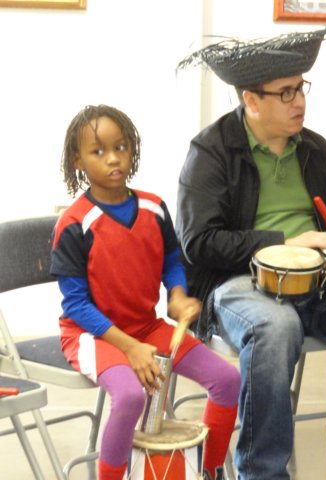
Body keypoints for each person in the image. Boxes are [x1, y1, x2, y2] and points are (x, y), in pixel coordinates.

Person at [175, 26, 326, 480]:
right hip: (238, 283)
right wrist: (282, 243)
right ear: (251, 100)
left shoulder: (315, 148)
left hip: (318, 281)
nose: (299, 101)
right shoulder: (211, 151)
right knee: (276, 324)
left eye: (301, 88)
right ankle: (262, 472)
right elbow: (199, 242)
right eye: (285, 93)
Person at [50, 105, 240, 480]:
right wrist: (130, 347)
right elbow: (76, 305)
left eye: (120, 147)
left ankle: (209, 470)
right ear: (77, 160)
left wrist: (177, 294)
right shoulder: (74, 224)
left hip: (147, 327)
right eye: (98, 151)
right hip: (90, 336)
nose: (113, 158)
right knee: (130, 396)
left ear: (132, 149)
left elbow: (171, 260)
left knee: (227, 380)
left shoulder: (153, 207)